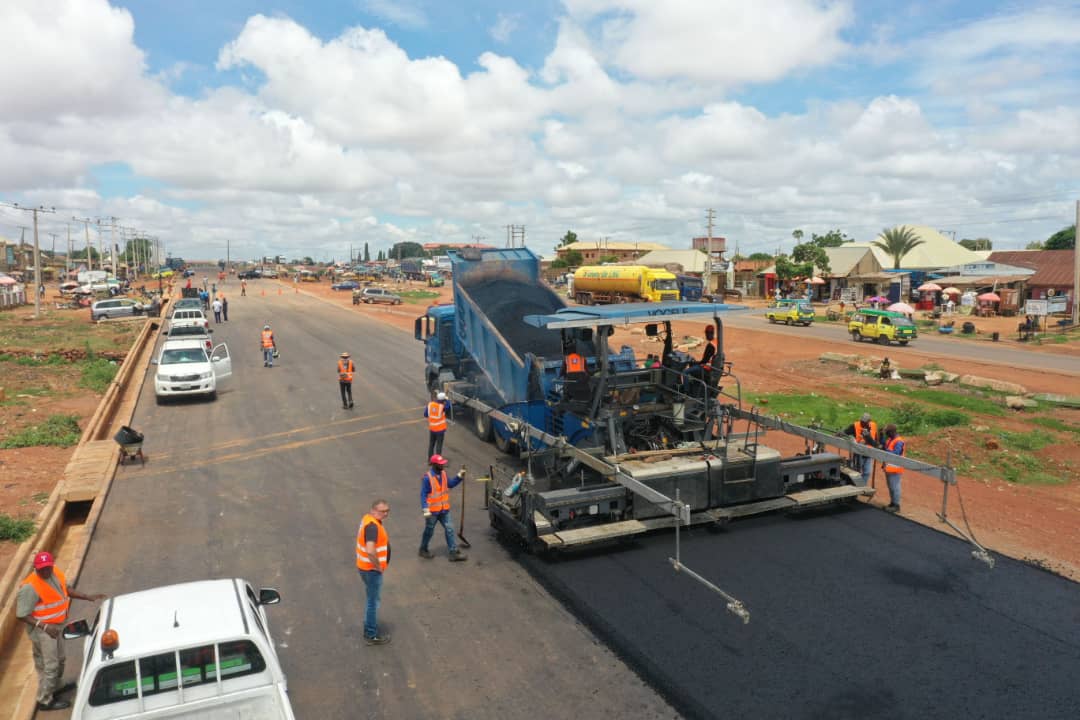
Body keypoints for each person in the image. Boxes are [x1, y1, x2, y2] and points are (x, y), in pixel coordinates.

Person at [16, 551, 106, 712]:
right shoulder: (30, 587)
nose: (44, 572)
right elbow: (21, 614)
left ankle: (55, 686)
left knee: (61, 659)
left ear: (51, 566)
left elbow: (66, 589)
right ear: (35, 568)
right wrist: (44, 627)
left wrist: (87, 596)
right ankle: (44, 700)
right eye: (40, 569)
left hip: (56, 627)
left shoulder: (55, 572)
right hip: (43, 631)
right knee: (50, 666)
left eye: (47, 568)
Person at [356, 499, 392, 645]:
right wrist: (378, 566)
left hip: (364, 568)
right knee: (373, 602)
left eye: (387, 511)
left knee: (371, 599)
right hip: (371, 570)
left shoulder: (367, 519)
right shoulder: (372, 527)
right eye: (382, 511)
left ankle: (369, 629)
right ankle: (371, 633)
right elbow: (370, 550)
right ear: (373, 510)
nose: (386, 514)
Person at [419, 455, 467, 562]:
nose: (443, 465)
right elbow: (423, 494)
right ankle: (423, 549)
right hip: (432, 512)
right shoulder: (428, 478)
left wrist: (459, 476)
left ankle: (453, 552)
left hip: (444, 510)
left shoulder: (444, 474)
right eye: (441, 464)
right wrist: (425, 509)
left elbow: (450, 484)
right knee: (429, 531)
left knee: (449, 528)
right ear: (434, 465)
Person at [842, 412, 879, 485]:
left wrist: (877, 446)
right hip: (858, 453)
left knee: (867, 472)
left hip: (869, 453)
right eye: (862, 421)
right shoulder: (854, 425)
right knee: (857, 471)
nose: (863, 423)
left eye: (864, 422)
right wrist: (837, 435)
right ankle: (854, 485)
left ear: (869, 421)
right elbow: (845, 432)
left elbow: (876, 437)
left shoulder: (873, 425)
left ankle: (862, 486)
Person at [882, 424, 905, 513]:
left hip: (895, 468)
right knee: (891, 487)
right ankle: (892, 503)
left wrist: (885, 449)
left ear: (892, 432)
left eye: (887, 433)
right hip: (889, 468)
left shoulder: (899, 441)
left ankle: (896, 505)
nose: (886, 434)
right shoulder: (890, 440)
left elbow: (896, 453)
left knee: (895, 487)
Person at [425, 391, 451, 458]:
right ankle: (437, 462)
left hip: (432, 429)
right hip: (440, 430)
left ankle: (430, 460)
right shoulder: (442, 407)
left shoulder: (430, 405)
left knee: (431, 444)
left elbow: (425, 414)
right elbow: (448, 406)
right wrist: (447, 399)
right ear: (443, 400)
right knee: (439, 446)